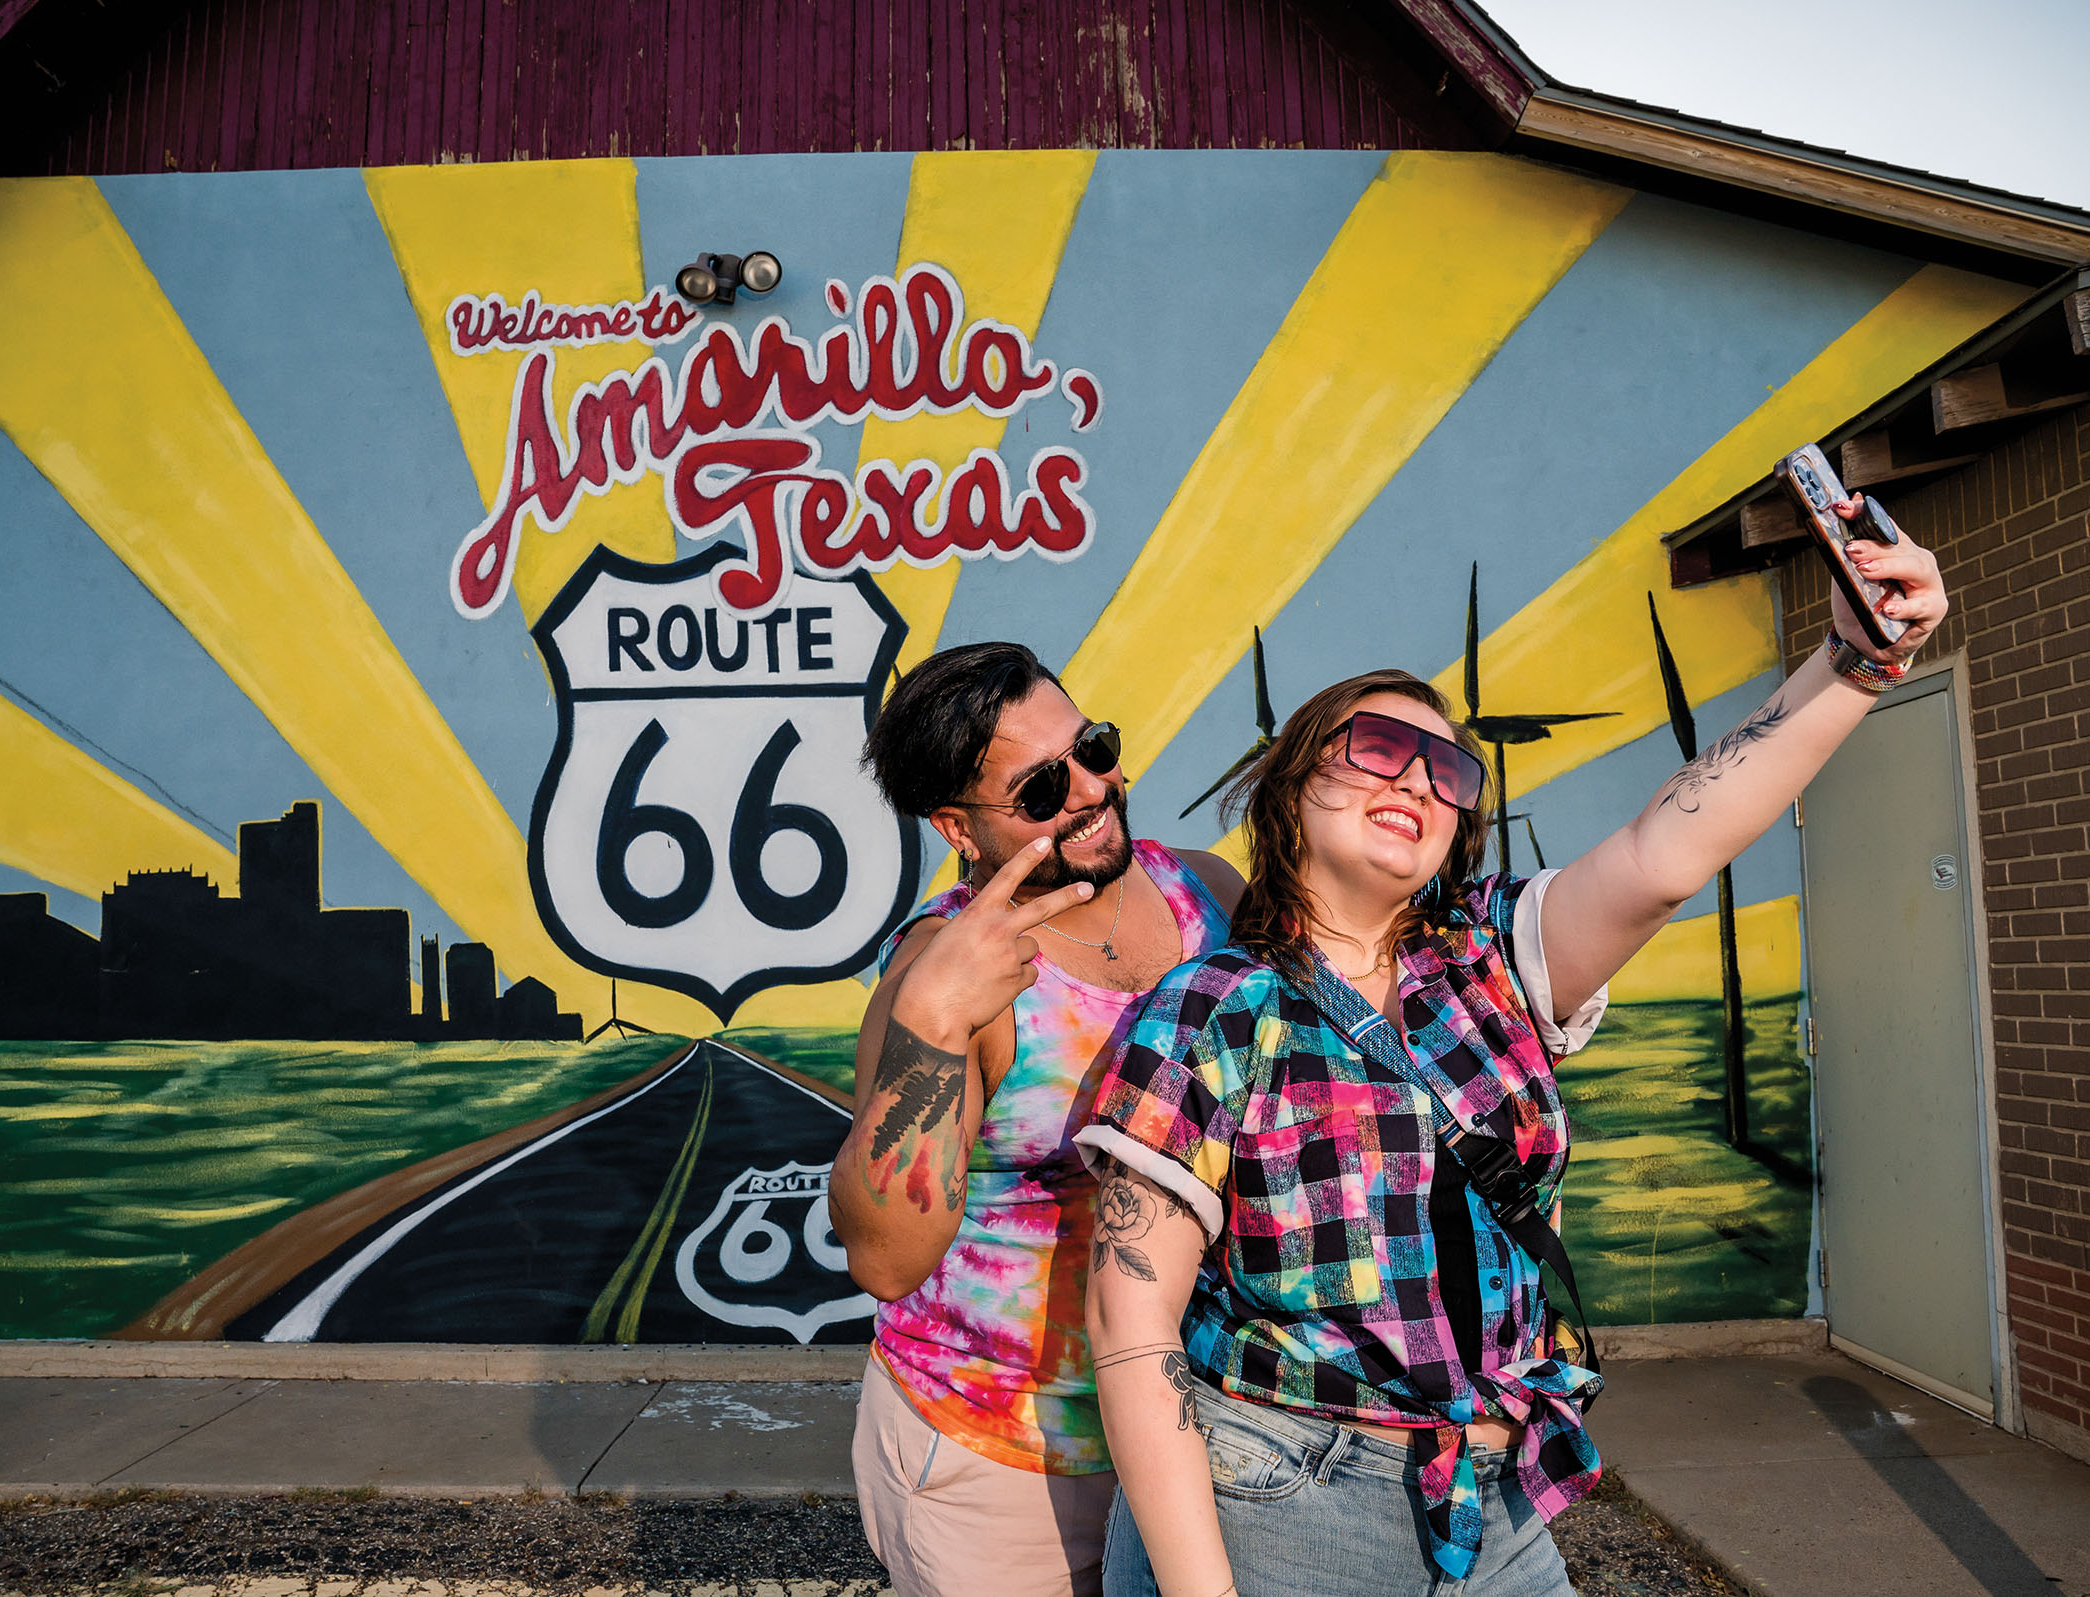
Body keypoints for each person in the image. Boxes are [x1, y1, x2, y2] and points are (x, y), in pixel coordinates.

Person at [1074, 506, 1947, 1595]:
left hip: (1496, 1496)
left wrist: (1859, 662)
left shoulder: (1493, 965)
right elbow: (1131, 1319)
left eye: (1450, 772)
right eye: (1380, 747)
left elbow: (1666, 852)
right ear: (1290, 784)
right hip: (1281, 1490)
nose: (1419, 781)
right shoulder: (1210, 1007)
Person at [831, 640, 1245, 1597]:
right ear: (957, 826)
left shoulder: (1208, 895)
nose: (1092, 788)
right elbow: (886, 1258)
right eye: (1041, 786)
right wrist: (935, 1022)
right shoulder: (943, 974)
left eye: (1092, 747)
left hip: (1207, 1431)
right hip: (1008, 1457)